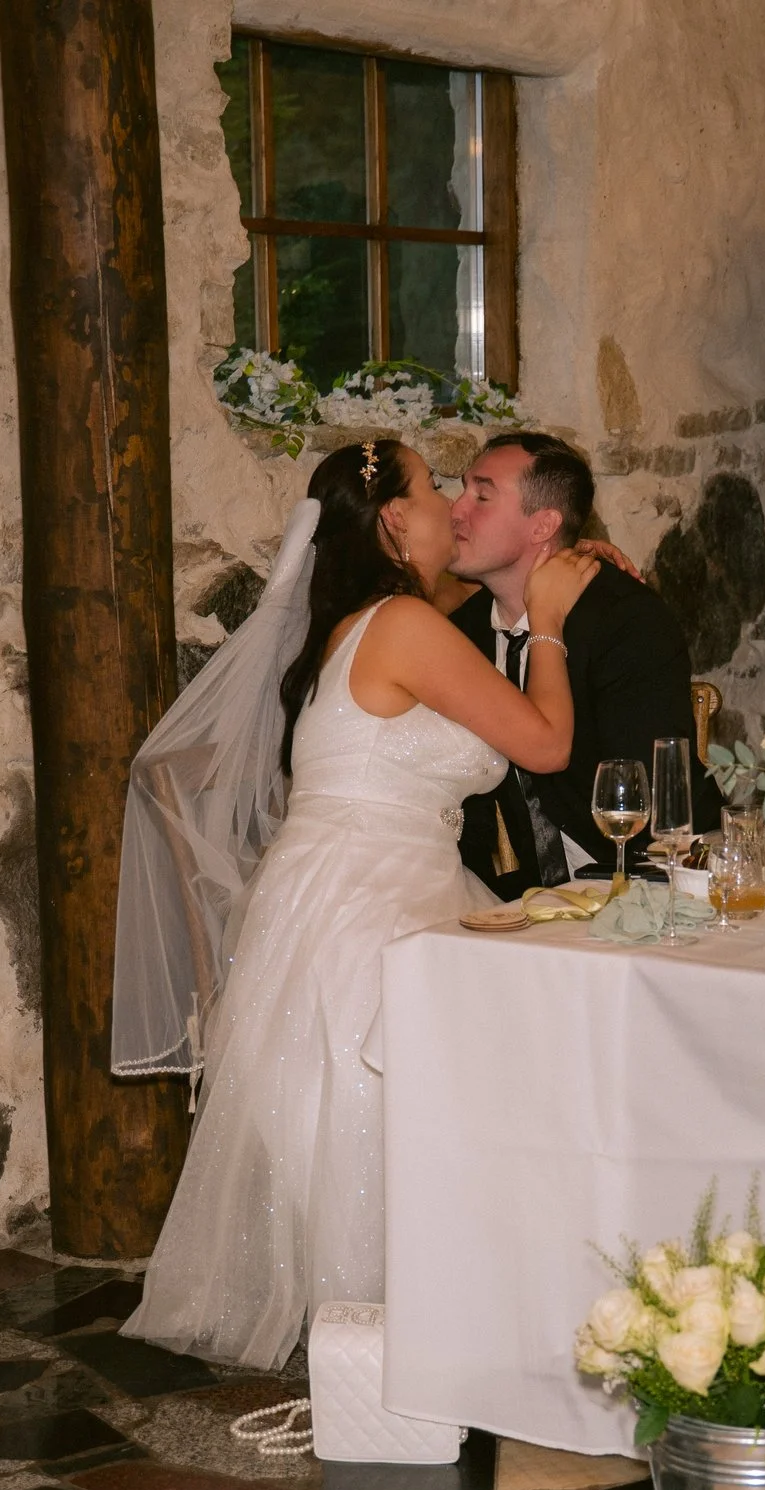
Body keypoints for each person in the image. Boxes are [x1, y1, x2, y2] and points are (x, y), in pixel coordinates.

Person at [115, 441, 596, 1367]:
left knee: (357, 1118)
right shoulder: (403, 626)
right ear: (390, 521)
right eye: (433, 490)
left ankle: (376, 1336)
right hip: (373, 899)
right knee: (378, 1116)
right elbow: (543, 744)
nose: (453, 506)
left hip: (338, 887)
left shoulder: (356, 625)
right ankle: (391, 1341)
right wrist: (551, 622)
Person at [443, 434, 714, 901]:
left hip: (653, 880)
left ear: (543, 524)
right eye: (463, 489)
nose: (456, 509)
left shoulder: (625, 619)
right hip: (532, 894)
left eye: (482, 496)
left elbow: (647, 795)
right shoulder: (460, 632)